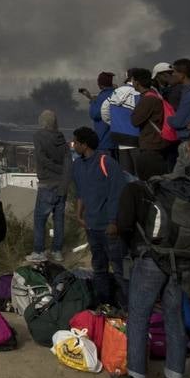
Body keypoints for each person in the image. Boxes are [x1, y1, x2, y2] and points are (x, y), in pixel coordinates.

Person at [111, 138, 190, 378]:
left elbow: (123, 225)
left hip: (152, 260)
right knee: (174, 318)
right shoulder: (181, 188)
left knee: (138, 316)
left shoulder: (137, 189)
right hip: (182, 262)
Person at [70, 126, 129, 309]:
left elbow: (117, 194)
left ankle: (130, 307)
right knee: (99, 269)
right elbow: (81, 192)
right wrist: (79, 214)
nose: (73, 145)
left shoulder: (106, 163)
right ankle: (106, 305)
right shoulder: (78, 165)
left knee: (119, 269)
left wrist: (113, 221)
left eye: (76, 142)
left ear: (84, 144)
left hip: (109, 228)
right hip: (92, 227)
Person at [27, 109, 68, 263]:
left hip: (46, 183)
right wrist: (62, 173)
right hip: (61, 183)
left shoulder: (38, 136)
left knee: (40, 219)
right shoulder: (61, 137)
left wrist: (55, 169)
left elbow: (41, 158)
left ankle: (39, 251)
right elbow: (66, 160)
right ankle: (57, 251)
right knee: (59, 219)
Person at [129, 69, 169, 181]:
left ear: (137, 82)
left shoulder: (148, 99)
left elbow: (135, 120)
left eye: (132, 81)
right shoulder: (154, 94)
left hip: (151, 145)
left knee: (151, 179)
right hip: (156, 143)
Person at [104, 69, 144, 174]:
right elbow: (142, 114)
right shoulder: (139, 92)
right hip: (136, 138)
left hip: (119, 138)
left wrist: (114, 124)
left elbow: (104, 110)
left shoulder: (116, 92)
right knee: (141, 173)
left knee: (126, 174)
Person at [81, 71, 116, 154]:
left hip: (104, 142)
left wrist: (93, 102)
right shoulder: (116, 93)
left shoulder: (102, 97)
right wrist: (90, 97)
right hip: (116, 142)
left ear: (101, 84)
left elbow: (94, 114)